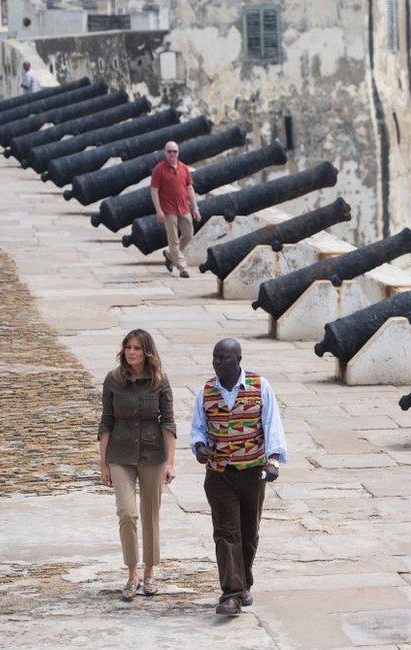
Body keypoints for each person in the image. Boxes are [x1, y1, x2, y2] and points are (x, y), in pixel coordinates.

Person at [190, 338, 287, 616]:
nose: (217, 362)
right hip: (220, 474)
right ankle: (230, 594)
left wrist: (273, 461)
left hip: (252, 472)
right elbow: (198, 427)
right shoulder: (206, 391)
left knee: (248, 533)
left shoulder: (259, 387)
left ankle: (244, 584)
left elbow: (272, 425)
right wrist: (199, 447)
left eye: (223, 358)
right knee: (225, 532)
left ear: (238, 360)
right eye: (215, 358)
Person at [98, 329, 177, 602]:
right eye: (128, 347)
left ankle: (150, 572)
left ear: (147, 352)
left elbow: (168, 423)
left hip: (153, 455)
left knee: (150, 514)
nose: (132, 352)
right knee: (127, 513)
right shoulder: (113, 380)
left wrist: (170, 462)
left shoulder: (160, 381)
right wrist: (103, 464)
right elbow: (105, 421)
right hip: (120, 454)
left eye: (137, 348)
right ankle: (132, 574)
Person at [150, 141, 201, 278]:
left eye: (175, 151)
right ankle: (182, 267)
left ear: (178, 152)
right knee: (173, 240)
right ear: (165, 152)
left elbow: (190, 188)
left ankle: (169, 255)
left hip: (184, 207)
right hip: (168, 210)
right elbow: (154, 191)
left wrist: (195, 208)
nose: (172, 154)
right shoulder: (159, 170)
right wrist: (159, 210)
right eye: (169, 151)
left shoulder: (184, 168)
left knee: (188, 235)